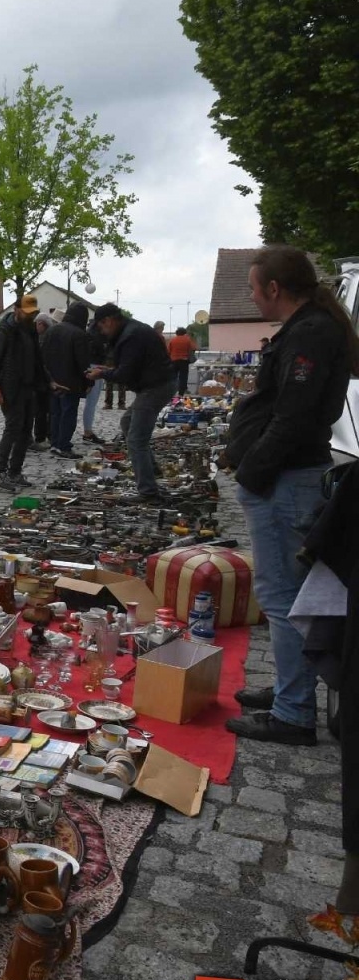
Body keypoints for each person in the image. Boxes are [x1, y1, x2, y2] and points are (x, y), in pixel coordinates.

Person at [222, 246, 359, 746]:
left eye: (255, 288)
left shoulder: (311, 334)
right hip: (288, 475)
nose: (253, 296)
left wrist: (253, 470)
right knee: (287, 593)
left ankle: (293, 713)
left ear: (274, 289)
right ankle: (288, 689)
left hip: (286, 479)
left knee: (282, 597)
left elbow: (294, 418)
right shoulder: (312, 327)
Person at [87, 304, 174, 501]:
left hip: (156, 386)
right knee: (127, 423)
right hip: (156, 384)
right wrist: (107, 369)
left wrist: (101, 373)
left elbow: (125, 373)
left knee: (136, 440)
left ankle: (148, 491)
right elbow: (128, 365)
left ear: (108, 321)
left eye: (101, 328)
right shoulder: (130, 330)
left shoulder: (131, 335)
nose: (102, 333)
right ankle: (152, 469)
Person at [0, 295, 46, 491]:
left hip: (29, 387)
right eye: (27, 313)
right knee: (13, 429)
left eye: (33, 313)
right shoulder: (5, 331)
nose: (30, 316)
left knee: (25, 431)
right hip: (10, 388)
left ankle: (15, 471)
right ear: (16, 309)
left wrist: (48, 381)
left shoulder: (30, 330)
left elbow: (38, 360)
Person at [41, 301, 91, 458]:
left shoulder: (51, 331)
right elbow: (82, 361)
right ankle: (64, 445)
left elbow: (43, 356)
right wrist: (89, 382)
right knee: (68, 414)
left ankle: (55, 443)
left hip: (53, 381)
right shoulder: (79, 334)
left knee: (55, 413)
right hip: (71, 382)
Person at [82, 312, 109, 444]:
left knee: (91, 402)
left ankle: (88, 430)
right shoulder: (98, 334)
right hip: (96, 365)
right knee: (91, 402)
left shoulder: (91, 331)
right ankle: (88, 431)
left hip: (92, 364)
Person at [30, 314, 52, 450]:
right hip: (40, 379)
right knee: (41, 411)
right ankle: (40, 437)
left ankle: (38, 437)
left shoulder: (40, 338)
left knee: (39, 411)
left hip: (39, 379)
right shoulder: (41, 337)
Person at [167, 324, 197, 395]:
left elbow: (168, 351)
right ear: (184, 333)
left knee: (174, 377)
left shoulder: (172, 340)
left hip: (173, 360)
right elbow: (194, 348)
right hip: (184, 360)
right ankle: (181, 392)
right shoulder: (187, 340)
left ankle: (172, 391)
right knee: (183, 377)